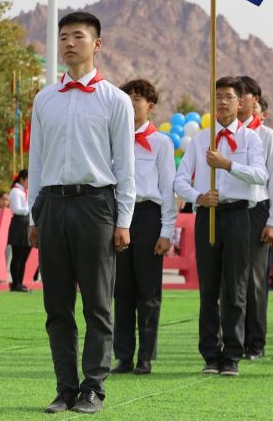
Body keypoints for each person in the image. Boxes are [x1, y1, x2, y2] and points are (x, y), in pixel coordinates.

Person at [28, 11, 136, 414]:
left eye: (78, 36)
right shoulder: (44, 99)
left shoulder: (116, 100)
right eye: (63, 37)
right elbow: (36, 161)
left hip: (96, 205)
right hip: (52, 205)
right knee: (57, 305)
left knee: (97, 303)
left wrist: (123, 220)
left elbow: (124, 165)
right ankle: (65, 388)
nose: (69, 43)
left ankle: (93, 388)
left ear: (97, 44)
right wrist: (35, 215)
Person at [174, 75, 269, 377]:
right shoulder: (201, 139)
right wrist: (199, 197)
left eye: (229, 97)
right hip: (209, 215)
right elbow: (179, 180)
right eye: (218, 96)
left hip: (239, 215)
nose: (223, 102)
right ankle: (210, 354)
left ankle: (232, 354)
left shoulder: (251, 139)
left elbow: (260, 175)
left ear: (240, 102)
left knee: (236, 287)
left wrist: (227, 164)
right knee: (209, 287)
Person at [112, 79, 177, 376]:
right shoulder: (113, 139)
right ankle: (123, 356)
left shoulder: (161, 142)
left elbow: (167, 189)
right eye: (127, 97)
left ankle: (146, 357)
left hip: (148, 216)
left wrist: (166, 231)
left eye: (137, 98)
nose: (131, 103)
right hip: (119, 217)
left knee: (148, 292)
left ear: (150, 106)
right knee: (121, 290)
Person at [238, 76, 273, 361]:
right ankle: (232, 337)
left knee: (254, 280)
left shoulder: (266, 136)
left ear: (255, 99)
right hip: (226, 210)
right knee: (229, 278)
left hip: (256, 210)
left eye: (242, 95)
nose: (236, 100)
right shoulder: (219, 133)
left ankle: (254, 342)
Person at [8, 170, 31, 292]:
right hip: (19, 224)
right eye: (28, 179)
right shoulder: (15, 191)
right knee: (18, 256)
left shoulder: (24, 192)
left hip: (26, 224)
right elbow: (16, 209)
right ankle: (16, 283)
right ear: (22, 179)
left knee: (24, 257)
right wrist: (31, 208)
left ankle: (20, 283)